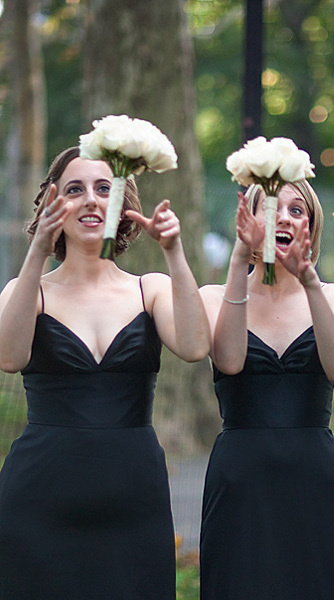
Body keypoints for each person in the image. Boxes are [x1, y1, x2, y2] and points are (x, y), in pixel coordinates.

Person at [0, 147, 209, 599]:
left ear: (123, 205)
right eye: (75, 189)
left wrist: (174, 254)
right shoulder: (26, 290)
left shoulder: (148, 288)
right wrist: (36, 253)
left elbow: (195, 346)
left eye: (104, 188)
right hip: (40, 499)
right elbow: (9, 357)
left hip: (133, 499)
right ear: (54, 204)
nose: (91, 200)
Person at [199, 180, 334, 599]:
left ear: (311, 223)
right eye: (269, 208)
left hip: (315, 480)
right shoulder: (213, 297)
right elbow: (230, 360)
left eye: (296, 209)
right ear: (246, 220)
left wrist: (309, 283)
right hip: (240, 482)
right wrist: (238, 261)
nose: (283, 217)